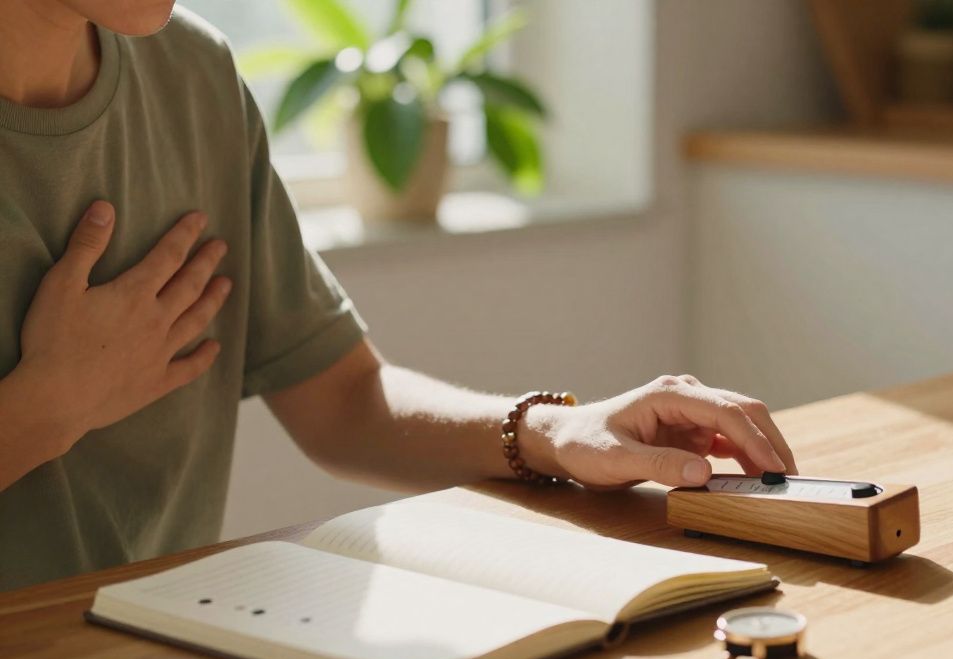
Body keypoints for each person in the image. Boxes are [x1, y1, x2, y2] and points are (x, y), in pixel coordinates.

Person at [0, 1, 797, 592]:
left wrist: (556, 431)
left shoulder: (194, 75)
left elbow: (344, 401)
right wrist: (48, 408)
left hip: (153, 657)